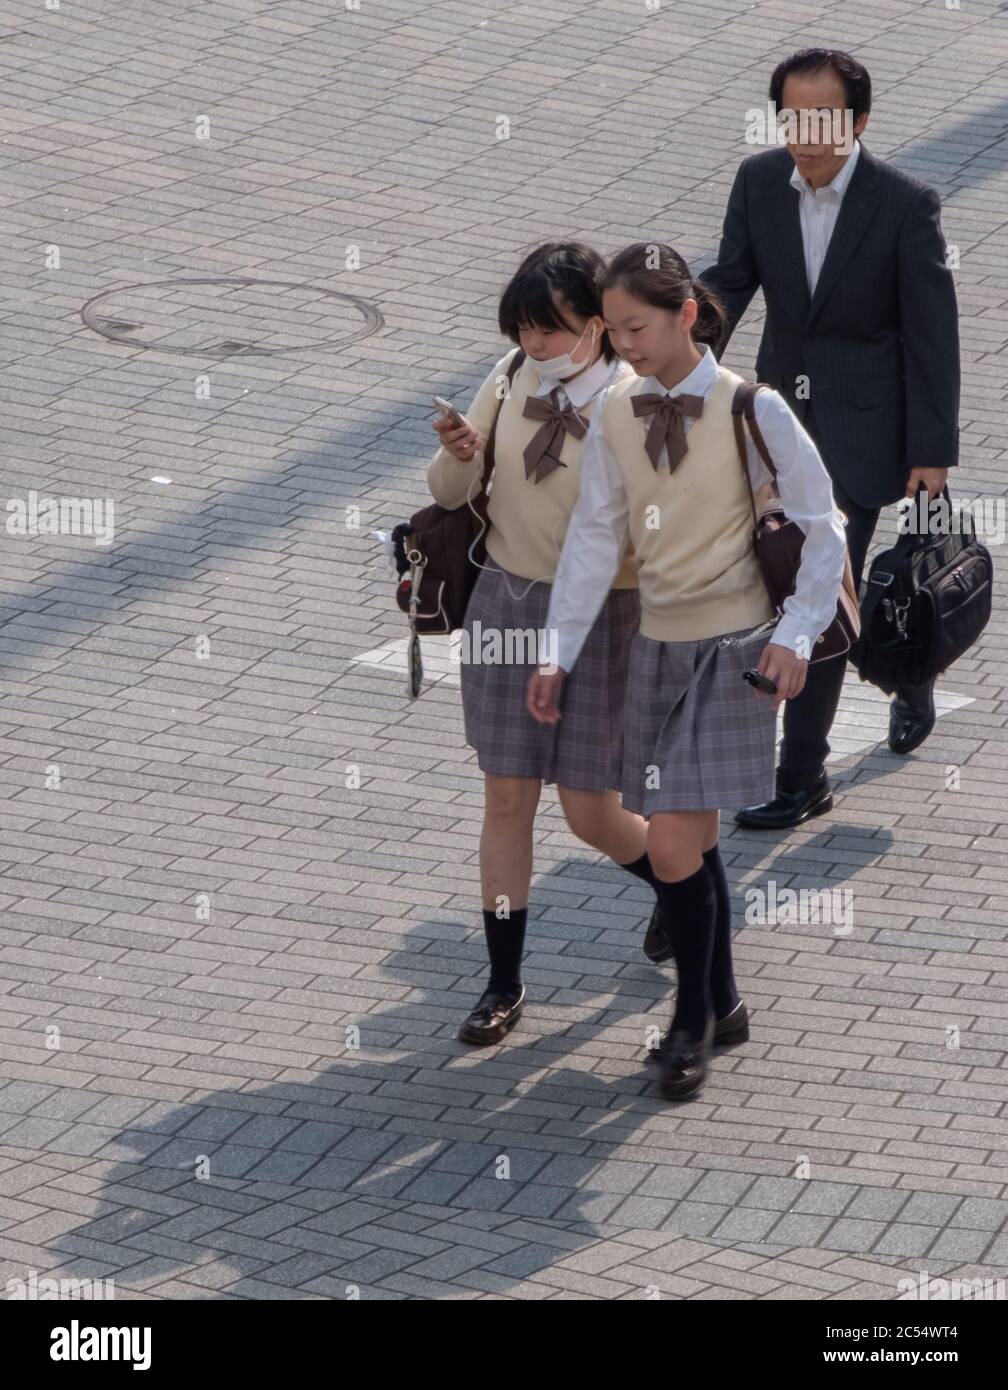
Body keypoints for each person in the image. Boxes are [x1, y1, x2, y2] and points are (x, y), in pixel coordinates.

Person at [527, 243, 846, 1099]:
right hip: (656, 646)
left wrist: (798, 636)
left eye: (637, 325)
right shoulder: (618, 412)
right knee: (690, 841)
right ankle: (723, 1002)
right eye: (614, 328)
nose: (624, 343)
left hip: (736, 650)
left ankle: (690, 1025)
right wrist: (555, 652)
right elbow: (597, 534)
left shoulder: (754, 406)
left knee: (670, 839)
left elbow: (825, 524)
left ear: (687, 315)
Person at [698, 47, 961, 830]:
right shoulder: (757, 183)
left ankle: (803, 776)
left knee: (819, 590)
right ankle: (908, 668)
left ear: (860, 121)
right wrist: (674, 351)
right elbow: (732, 281)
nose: (806, 134)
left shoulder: (906, 204)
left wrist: (932, 451)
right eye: (793, 116)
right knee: (790, 586)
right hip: (779, 425)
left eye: (825, 118)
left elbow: (932, 338)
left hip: (866, 435)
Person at [426, 242, 669, 1047]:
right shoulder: (509, 376)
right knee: (506, 797)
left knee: (591, 813)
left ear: (599, 325)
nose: (535, 345)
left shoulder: (638, 400)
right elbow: (452, 492)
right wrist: (458, 455)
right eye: (524, 329)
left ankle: (682, 885)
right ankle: (501, 982)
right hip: (506, 599)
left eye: (552, 330)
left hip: (603, 619)